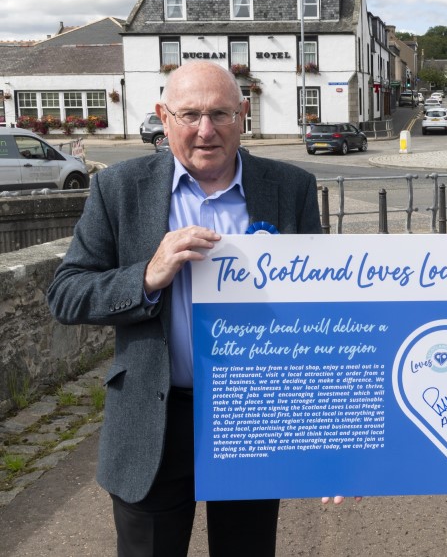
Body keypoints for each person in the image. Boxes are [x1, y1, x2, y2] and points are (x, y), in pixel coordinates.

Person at [47, 61, 322, 556]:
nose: (205, 130)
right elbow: (66, 292)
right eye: (189, 114)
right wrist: (146, 276)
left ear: (243, 113)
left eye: (220, 113)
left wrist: (331, 442)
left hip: (251, 417)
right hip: (154, 419)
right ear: (162, 116)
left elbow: (317, 311)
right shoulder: (119, 188)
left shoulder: (292, 187)